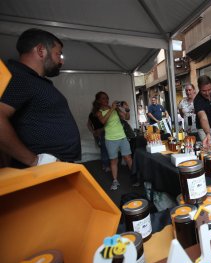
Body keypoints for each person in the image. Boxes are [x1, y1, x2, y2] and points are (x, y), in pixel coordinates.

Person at [0, 28, 81, 167]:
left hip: (56, 166)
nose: (61, 61)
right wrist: (33, 161)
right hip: (42, 169)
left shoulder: (33, 80)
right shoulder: (18, 76)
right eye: (58, 54)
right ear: (41, 50)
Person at [94, 91, 133, 190]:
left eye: (107, 98)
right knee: (114, 160)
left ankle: (134, 176)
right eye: (103, 98)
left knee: (128, 158)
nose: (106, 100)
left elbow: (127, 118)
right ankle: (115, 180)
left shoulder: (115, 110)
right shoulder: (99, 112)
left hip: (122, 137)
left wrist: (127, 109)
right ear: (98, 101)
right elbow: (103, 121)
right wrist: (112, 108)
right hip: (110, 139)